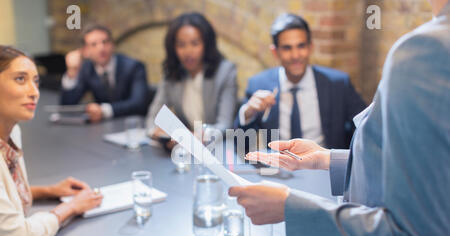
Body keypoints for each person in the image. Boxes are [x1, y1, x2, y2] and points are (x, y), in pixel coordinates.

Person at [229, 0, 450, 236]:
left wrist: (290, 209)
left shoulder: (426, 52)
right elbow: (431, 172)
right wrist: (325, 158)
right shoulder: (259, 84)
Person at [0, 46, 103, 236]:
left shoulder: (12, 132)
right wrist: (71, 207)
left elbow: (6, 195)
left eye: (35, 81)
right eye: (20, 79)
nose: (34, 92)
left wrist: (49, 191)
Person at [235, 13, 366, 149]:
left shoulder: (338, 84)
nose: (295, 55)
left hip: (325, 166)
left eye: (301, 46)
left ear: (310, 47)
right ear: (275, 52)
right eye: (287, 48)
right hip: (278, 166)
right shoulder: (259, 84)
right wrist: (247, 114)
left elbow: (366, 126)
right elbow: (241, 148)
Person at [146, 12, 238, 149]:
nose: (188, 51)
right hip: (183, 153)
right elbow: (152, 118)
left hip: (218, 151)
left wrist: (197, 136)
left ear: (206, 44)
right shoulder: (171, 73)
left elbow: (224, 125)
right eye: (181, 45)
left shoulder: (225, 72)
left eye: (195, 43)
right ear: (173, 48)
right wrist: (159, 133)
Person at [60, 25, 150, 123]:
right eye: (94, 44)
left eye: (105, 42)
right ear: (85, 51)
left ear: (112, 45)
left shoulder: (134, 67)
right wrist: (71, 72)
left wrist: (103, 111)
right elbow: (67, 105)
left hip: (133, 125)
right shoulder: (87, 68)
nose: (101, 48)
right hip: (102, 128)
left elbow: (138, 103)